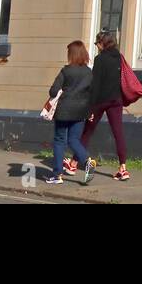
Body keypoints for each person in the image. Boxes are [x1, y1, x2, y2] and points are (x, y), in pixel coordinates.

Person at [74, 30, 131, 181]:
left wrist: (90, 107)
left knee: (88, 130)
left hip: (100, 101)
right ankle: (123, 168)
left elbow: (96, 85)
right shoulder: (119, 57)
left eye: (97, 43)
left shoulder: (100, 59)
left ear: (102, 43)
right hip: (116, 100)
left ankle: (73, 163)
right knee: (118, 132)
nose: (96, 46)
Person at [46, 40, 94, 185]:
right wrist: (90, 111)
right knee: (74, 140)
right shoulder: (88, 72)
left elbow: (53, 91)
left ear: (71, 54)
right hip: (81, 111)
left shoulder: (66, 71)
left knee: (60, 140)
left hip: (64, 110)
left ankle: (57, 175)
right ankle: (87, 161)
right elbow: (92, 93)